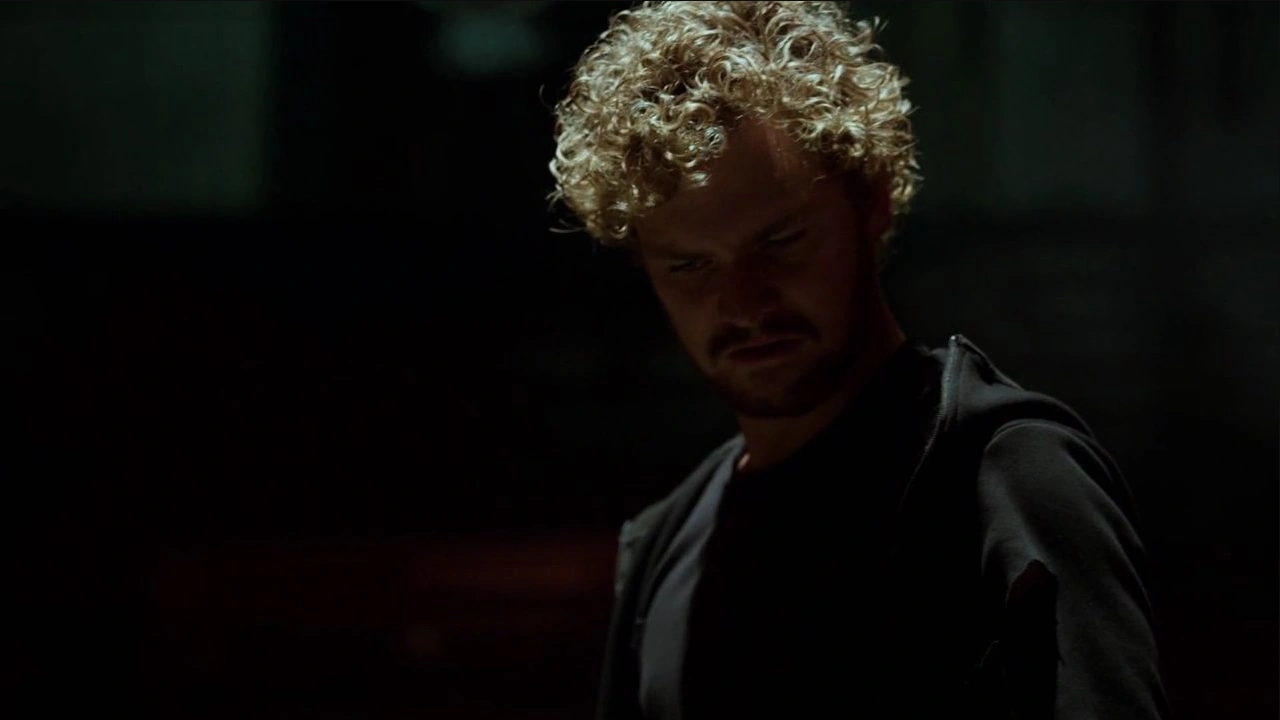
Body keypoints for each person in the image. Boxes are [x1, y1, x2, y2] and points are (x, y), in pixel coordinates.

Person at [547, 2, 1168, 718]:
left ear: (870, 204)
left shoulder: (1000, 476)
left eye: (779, 242)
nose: (742, 302)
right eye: (689, 266)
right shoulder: (663, 551)